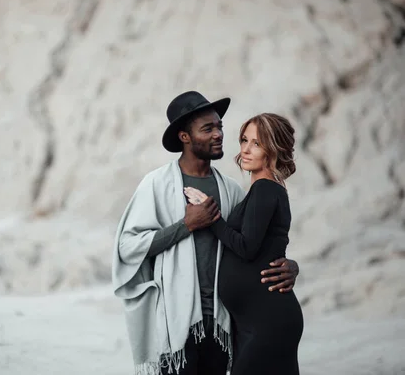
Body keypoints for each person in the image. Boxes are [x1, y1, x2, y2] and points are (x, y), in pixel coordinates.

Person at [111, 91, 300, 375]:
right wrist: (185, 225)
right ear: (185, 137)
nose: (218, 134)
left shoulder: (232, 190)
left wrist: (291, 266)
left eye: (220, 127)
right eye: (208, 128)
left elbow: (254, 243)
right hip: (178, 320)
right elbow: (127, 246)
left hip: (224, 323)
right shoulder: (157, 185)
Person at [183, 113, 303, 375]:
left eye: (257, 143)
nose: (246, 149)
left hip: (268, 321)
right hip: (256, 321)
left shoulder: (265, 189)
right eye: (244, 140)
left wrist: (210, 216)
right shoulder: (262, 190)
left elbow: (247, 247)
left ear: (274, 148)